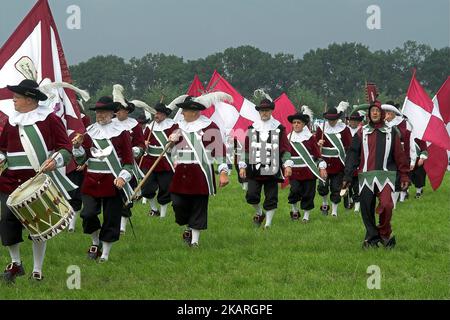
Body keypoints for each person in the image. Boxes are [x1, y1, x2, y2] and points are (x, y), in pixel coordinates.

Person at [0, 79, 74, 281]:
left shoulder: (49, 119)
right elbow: (3, 150)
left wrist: (56, 160)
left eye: (17, 97)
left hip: (37, 180)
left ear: (30, 99)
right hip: (11, 181)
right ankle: (16, 264)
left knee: (38, 225)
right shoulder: (12, 121)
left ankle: (37, 270)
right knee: (6, 222)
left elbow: (66, 149)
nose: (13, 100)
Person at [72, 96, 134, 262]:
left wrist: (122, 177)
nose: (100, 115)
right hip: (91, 181)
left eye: (103, 112)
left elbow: (129, 163)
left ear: (112, 113)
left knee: (111, 218)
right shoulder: (89, 132)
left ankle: (105, 253)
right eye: (98, 112)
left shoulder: (122, 133)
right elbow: (81, 159)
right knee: (88, 214)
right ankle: (95, 241)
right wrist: (77, 147)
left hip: (113, 182)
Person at [343, 101, 410, 249]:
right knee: (366, 209)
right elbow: (353, 154)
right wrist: (347, 176)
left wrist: (404, 175)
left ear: (382, 114)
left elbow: (399, 155)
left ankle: (384, 233)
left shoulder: (391, 132)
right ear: (369, 114)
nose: (374, 113)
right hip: (365, 176)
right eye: (372, 111)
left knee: (387, 205)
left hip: (385, 175)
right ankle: (372, 237)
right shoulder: (361, 132)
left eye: (377, 111)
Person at [168, 93, 230, 247]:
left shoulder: (210, 126)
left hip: (201, 173)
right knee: (177, 203)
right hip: (181, 173)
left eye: (184, 110)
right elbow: (170, 152)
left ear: (194, 112)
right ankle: (188, 226)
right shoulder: (177, 127)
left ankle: (194, 241)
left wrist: (223, 172)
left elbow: (219, 152)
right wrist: (170, 142)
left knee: (198, 205)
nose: (181, 113)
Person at [239, 97, 292, 229]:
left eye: (267, 110)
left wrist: (287, 164)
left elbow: (285, 148)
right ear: (259, 112)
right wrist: (242, 165)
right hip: (254, 168)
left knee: (271, 197)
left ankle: (268, 224)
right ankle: (259, 212)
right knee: (251, 195)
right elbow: (246, 149)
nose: (264, 113)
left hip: (272, 168)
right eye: (262, 110)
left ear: (271, 111)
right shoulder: (252, 127)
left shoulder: (279, 127)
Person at [111, 85, 146, 234]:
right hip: (111, 163)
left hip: (128, 164)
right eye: (116, 109)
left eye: (120, 109)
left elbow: (141, 144)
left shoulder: (135, 125)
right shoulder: (109, 124)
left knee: (127, 194)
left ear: (126, 110)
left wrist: (135, 150)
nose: (117, 112)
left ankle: (122, 226)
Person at [286, 106, 327, 223]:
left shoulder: (310, 138)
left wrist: (321, 167)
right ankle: (294, 210)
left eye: (299, 122)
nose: (296, 125)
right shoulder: (288, 138)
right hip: (294, 172)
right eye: (294, 122)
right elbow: (286, 155)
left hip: (309, 172)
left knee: (308, 194)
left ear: (304, 124)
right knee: (294, 191)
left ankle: (306, 216)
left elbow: (317, 155)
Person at [140, 101, 178, 218]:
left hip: (165, 160)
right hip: (150, 160)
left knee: (165, 188)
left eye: (159, 113)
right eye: (155, 113)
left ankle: (162, 215)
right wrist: (144, 143)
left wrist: (173, 142)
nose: (156, 115)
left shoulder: (172, 126)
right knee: (146, 188)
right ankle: (154, 209)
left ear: (164, 114)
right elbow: (142, 141)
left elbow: (178, 141)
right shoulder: (150, 126)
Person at [315, 102, 352, 217]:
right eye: (330, 120)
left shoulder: (344, 129)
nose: (332, 122)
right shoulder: (321, 129)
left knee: (336, 188)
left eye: (334, 119)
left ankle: (334, 211)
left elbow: (349, 146)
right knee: (323, 187)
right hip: (324, 164)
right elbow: (314, 147)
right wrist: (318, 143)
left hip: (338, 164)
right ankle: (325, 204)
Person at [383, 102, 414, 204]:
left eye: (387, 112)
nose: (385, 114)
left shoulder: (404, 123)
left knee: (398, 178)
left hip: (401, 154)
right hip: (386, 155)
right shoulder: (383, 124)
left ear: (392, 113)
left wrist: (412, 159)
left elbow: (405, 138)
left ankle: (396, 202)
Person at [343, 109, 365, 212]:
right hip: (345, 160)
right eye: (351, 120)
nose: (353, 122)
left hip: (358, 161)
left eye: (355, 120)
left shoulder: (362, 131)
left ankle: (357, 206)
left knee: (356, 184)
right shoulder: (344, 131)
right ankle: (349, 202)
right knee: (347, 184)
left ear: (358, 121)